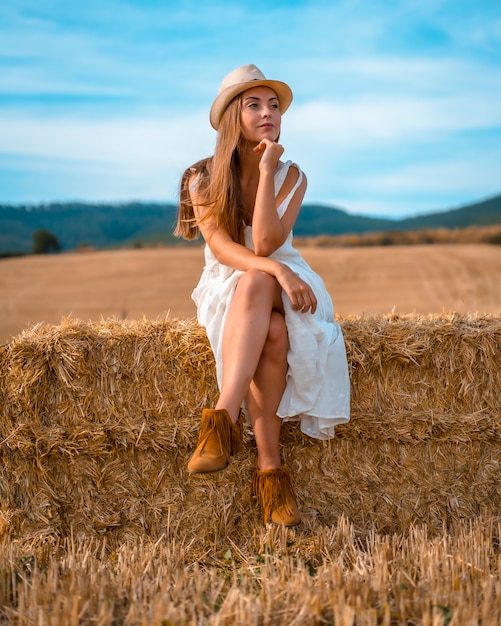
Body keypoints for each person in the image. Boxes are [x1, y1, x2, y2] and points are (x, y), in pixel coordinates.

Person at [175, 64, 350, 527]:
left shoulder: (292, 175)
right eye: (254, 104)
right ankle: (271, 472)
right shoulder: (203, 178)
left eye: (273, 105)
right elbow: (225, 248)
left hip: (290, 281)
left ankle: (222, 421)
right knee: (272, 331)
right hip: (233, 280)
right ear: (234, 115)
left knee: (261, 285)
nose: (268, 112)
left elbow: (268, 242)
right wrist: (272, 270)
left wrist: (269, 168)